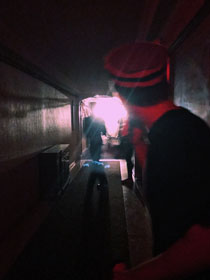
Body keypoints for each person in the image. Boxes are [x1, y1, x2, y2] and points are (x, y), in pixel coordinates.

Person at [104, 41, 210, 279]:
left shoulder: (175, 138)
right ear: (166, 80)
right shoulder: (178, 128)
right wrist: (139, 143)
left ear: (122, 96)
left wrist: (132, 277)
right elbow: (167, 190)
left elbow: (203, 243)